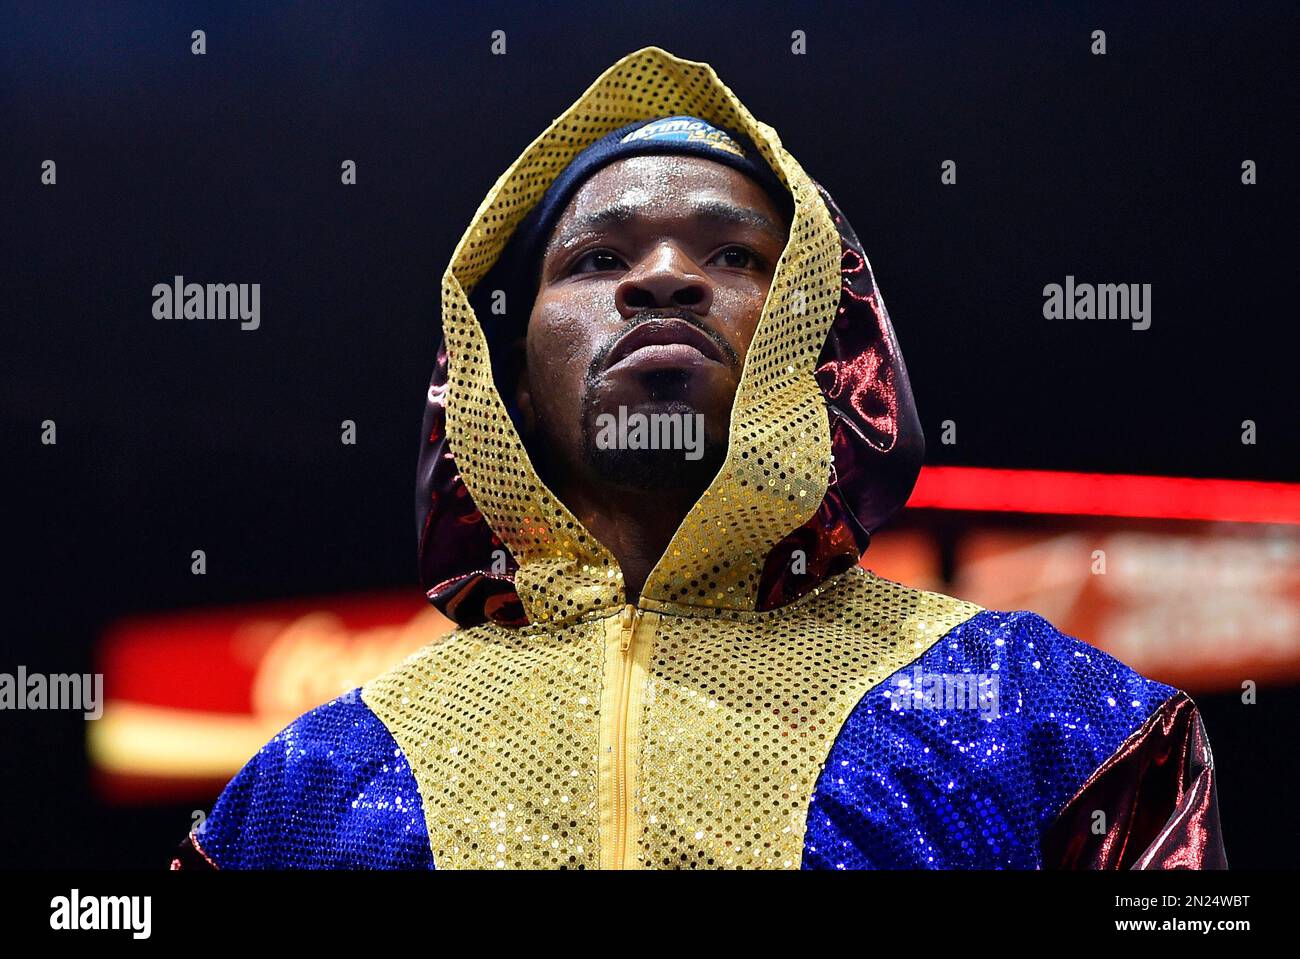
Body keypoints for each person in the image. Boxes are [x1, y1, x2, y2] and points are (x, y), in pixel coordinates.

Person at [172, 46, 1225, 870]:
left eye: (732, 254)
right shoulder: (301, 796)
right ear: (508, 381)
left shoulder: (1061, 723)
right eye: (597, 258)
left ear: (823, 343)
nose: (664, 279)